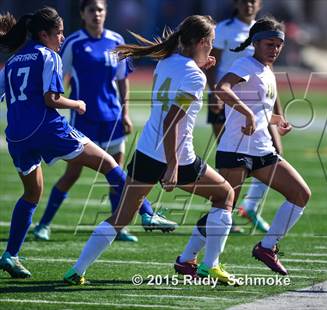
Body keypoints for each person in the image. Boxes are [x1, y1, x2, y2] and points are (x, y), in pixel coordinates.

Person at [63, 15, 239, 286]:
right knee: (225, 194)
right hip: (177, 156)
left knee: (120, 217)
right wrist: (173, 165)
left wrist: (200, 67)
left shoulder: (167, 62)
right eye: (212, 42)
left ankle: (76, 269)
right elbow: (172, 122)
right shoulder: (194, 75)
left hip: (146, 150)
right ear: (203, 42)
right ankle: (208, 265)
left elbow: (174, 98)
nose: (212, 47)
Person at [0, 7, 137, 278]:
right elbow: (52, 99)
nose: (62, 38)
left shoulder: (13, 61)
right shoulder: (48, 55)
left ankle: (10, 255)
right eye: (58, 33)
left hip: (16, 136)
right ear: (44, 34)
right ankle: (147, 212)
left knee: (31, 194)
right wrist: (77, 103)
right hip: (46, 129)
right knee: (109, 163)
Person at [32, 0, 177, 243]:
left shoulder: (115, 40)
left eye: (100, 10)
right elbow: (59, 76)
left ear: (106, 13)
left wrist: (125, 112)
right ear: (83, 14)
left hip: (111, 118)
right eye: (91, 10)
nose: (96, 14)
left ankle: (118, 226)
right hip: (84, 119)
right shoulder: (73, 43)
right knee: (72, 174)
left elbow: (122, 80)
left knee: (117, 175)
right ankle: (43, 225)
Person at [178, 16, 310, 275]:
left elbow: (259, 110)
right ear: (256, 43)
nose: (275, 49)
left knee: (300, 194)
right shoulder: (245, 64)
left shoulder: (267, 71)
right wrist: (248, 115)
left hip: (261, 150)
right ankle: (187, 259)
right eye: (269, 44)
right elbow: (221, 88)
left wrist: (277, 120)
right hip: (236, 151)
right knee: (222, 209)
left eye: (278, 45)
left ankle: (267, 247)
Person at [206, 0, 287, 233]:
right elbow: (214, 66)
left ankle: (249, 207)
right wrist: (215, 95)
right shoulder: (223, 29)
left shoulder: (266, 30)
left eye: (253, 1)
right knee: (232, 156)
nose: (248, 4)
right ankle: (223, 213)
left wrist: (278, 112)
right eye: (244, 0)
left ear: (259, 4)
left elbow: (268, 74)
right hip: (230, 100)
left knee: (276, 152)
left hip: (260, 104)